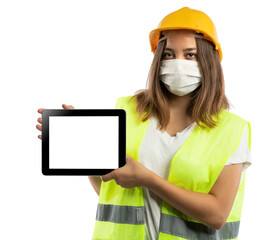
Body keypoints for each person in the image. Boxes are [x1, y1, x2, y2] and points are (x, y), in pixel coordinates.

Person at [36, 6, 252, 240]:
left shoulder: (231, 129)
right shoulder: (128, 110)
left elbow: (217, 215)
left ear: (209, 60)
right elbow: (110, 194)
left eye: (190, 54)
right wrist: (90, 154)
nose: (178, 63)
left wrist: (147, 179)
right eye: (169, 54)